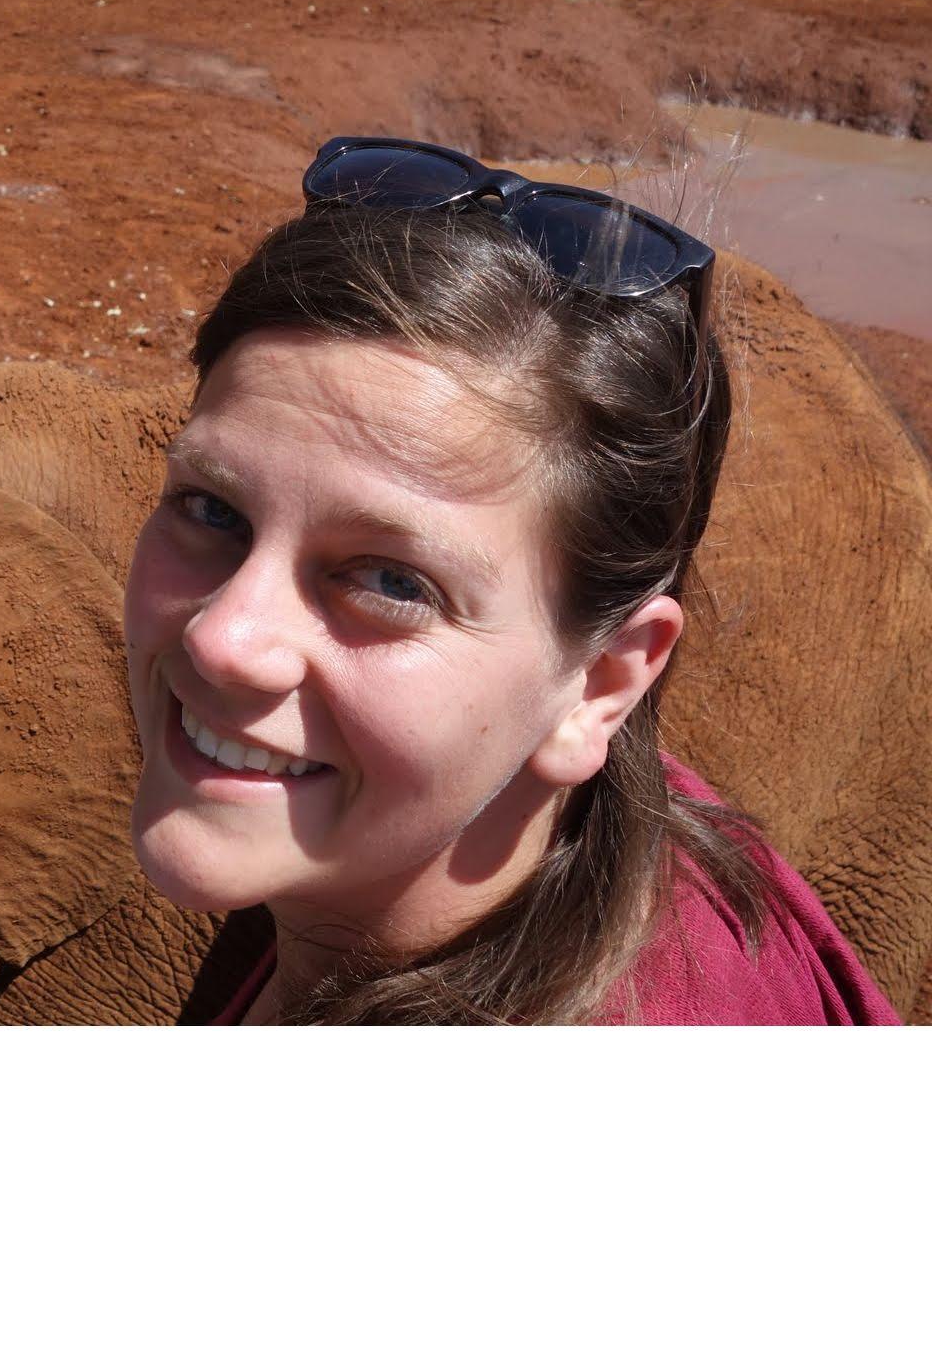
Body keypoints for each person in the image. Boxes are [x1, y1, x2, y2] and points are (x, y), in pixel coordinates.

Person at [124, 138, 901, 1026]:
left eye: (391, 581)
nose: (222, 640)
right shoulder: (554, 828)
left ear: (603, 687)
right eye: (212, 510)